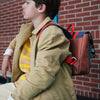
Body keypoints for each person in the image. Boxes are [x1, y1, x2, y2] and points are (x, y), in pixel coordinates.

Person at [0, 0, 77, 100]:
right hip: (23, 85)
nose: (23, 6)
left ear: (40, 7)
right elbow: (16, 40)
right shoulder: (30, 30)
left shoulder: (51, 34)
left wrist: (14, 98)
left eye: (27, 2)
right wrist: (7, 54)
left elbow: (43, 75)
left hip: (43, 92)